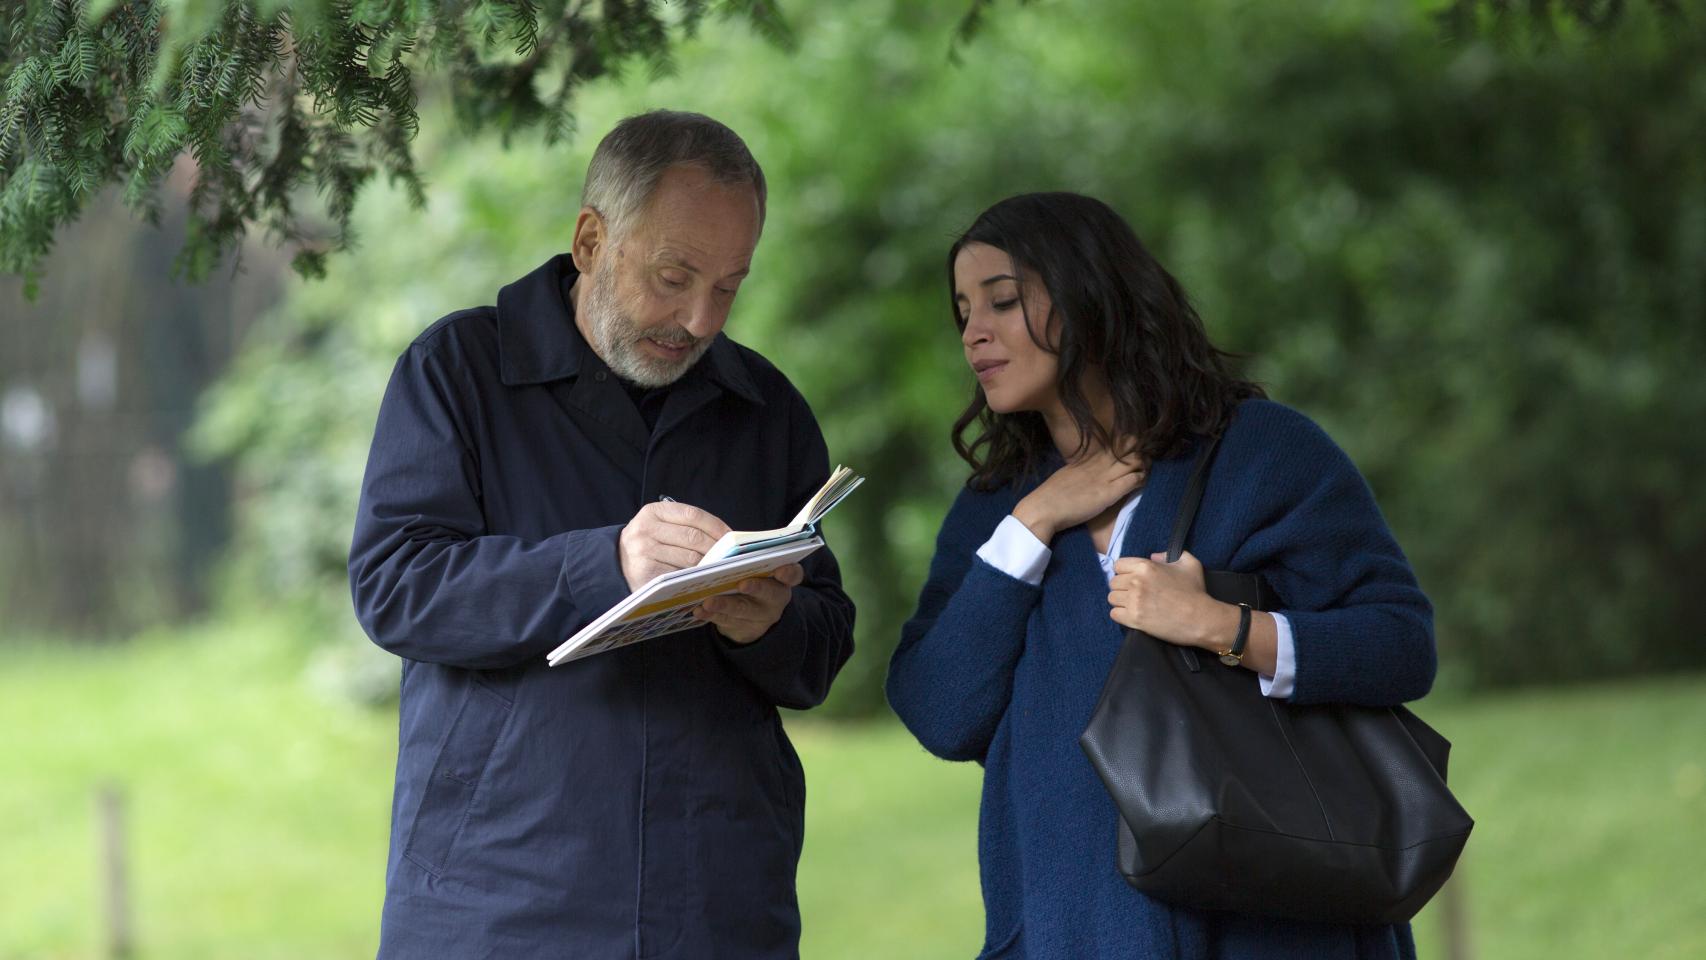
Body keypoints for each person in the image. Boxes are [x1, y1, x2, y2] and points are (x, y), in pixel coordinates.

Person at [348, 110, 855, 959]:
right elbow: (395, 587)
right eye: (673, 276)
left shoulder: (767, 410)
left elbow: (824, 648)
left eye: (728, 286)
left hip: (721, 903)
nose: (699, 319)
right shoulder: (457, 371)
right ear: (590, 239)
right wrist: (605, 562)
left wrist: (767, 624)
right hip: (499, 905)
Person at [885, 192, 1436, 959]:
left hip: (1278, 928)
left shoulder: (1264, 452)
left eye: (1003, 302)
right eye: (963, 311)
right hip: (1070, 934)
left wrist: (1223, 627)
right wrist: (1034, 523)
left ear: (1089, 296)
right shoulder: (993, 511)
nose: (974, 332)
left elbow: (1402, 646)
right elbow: (942, 714)